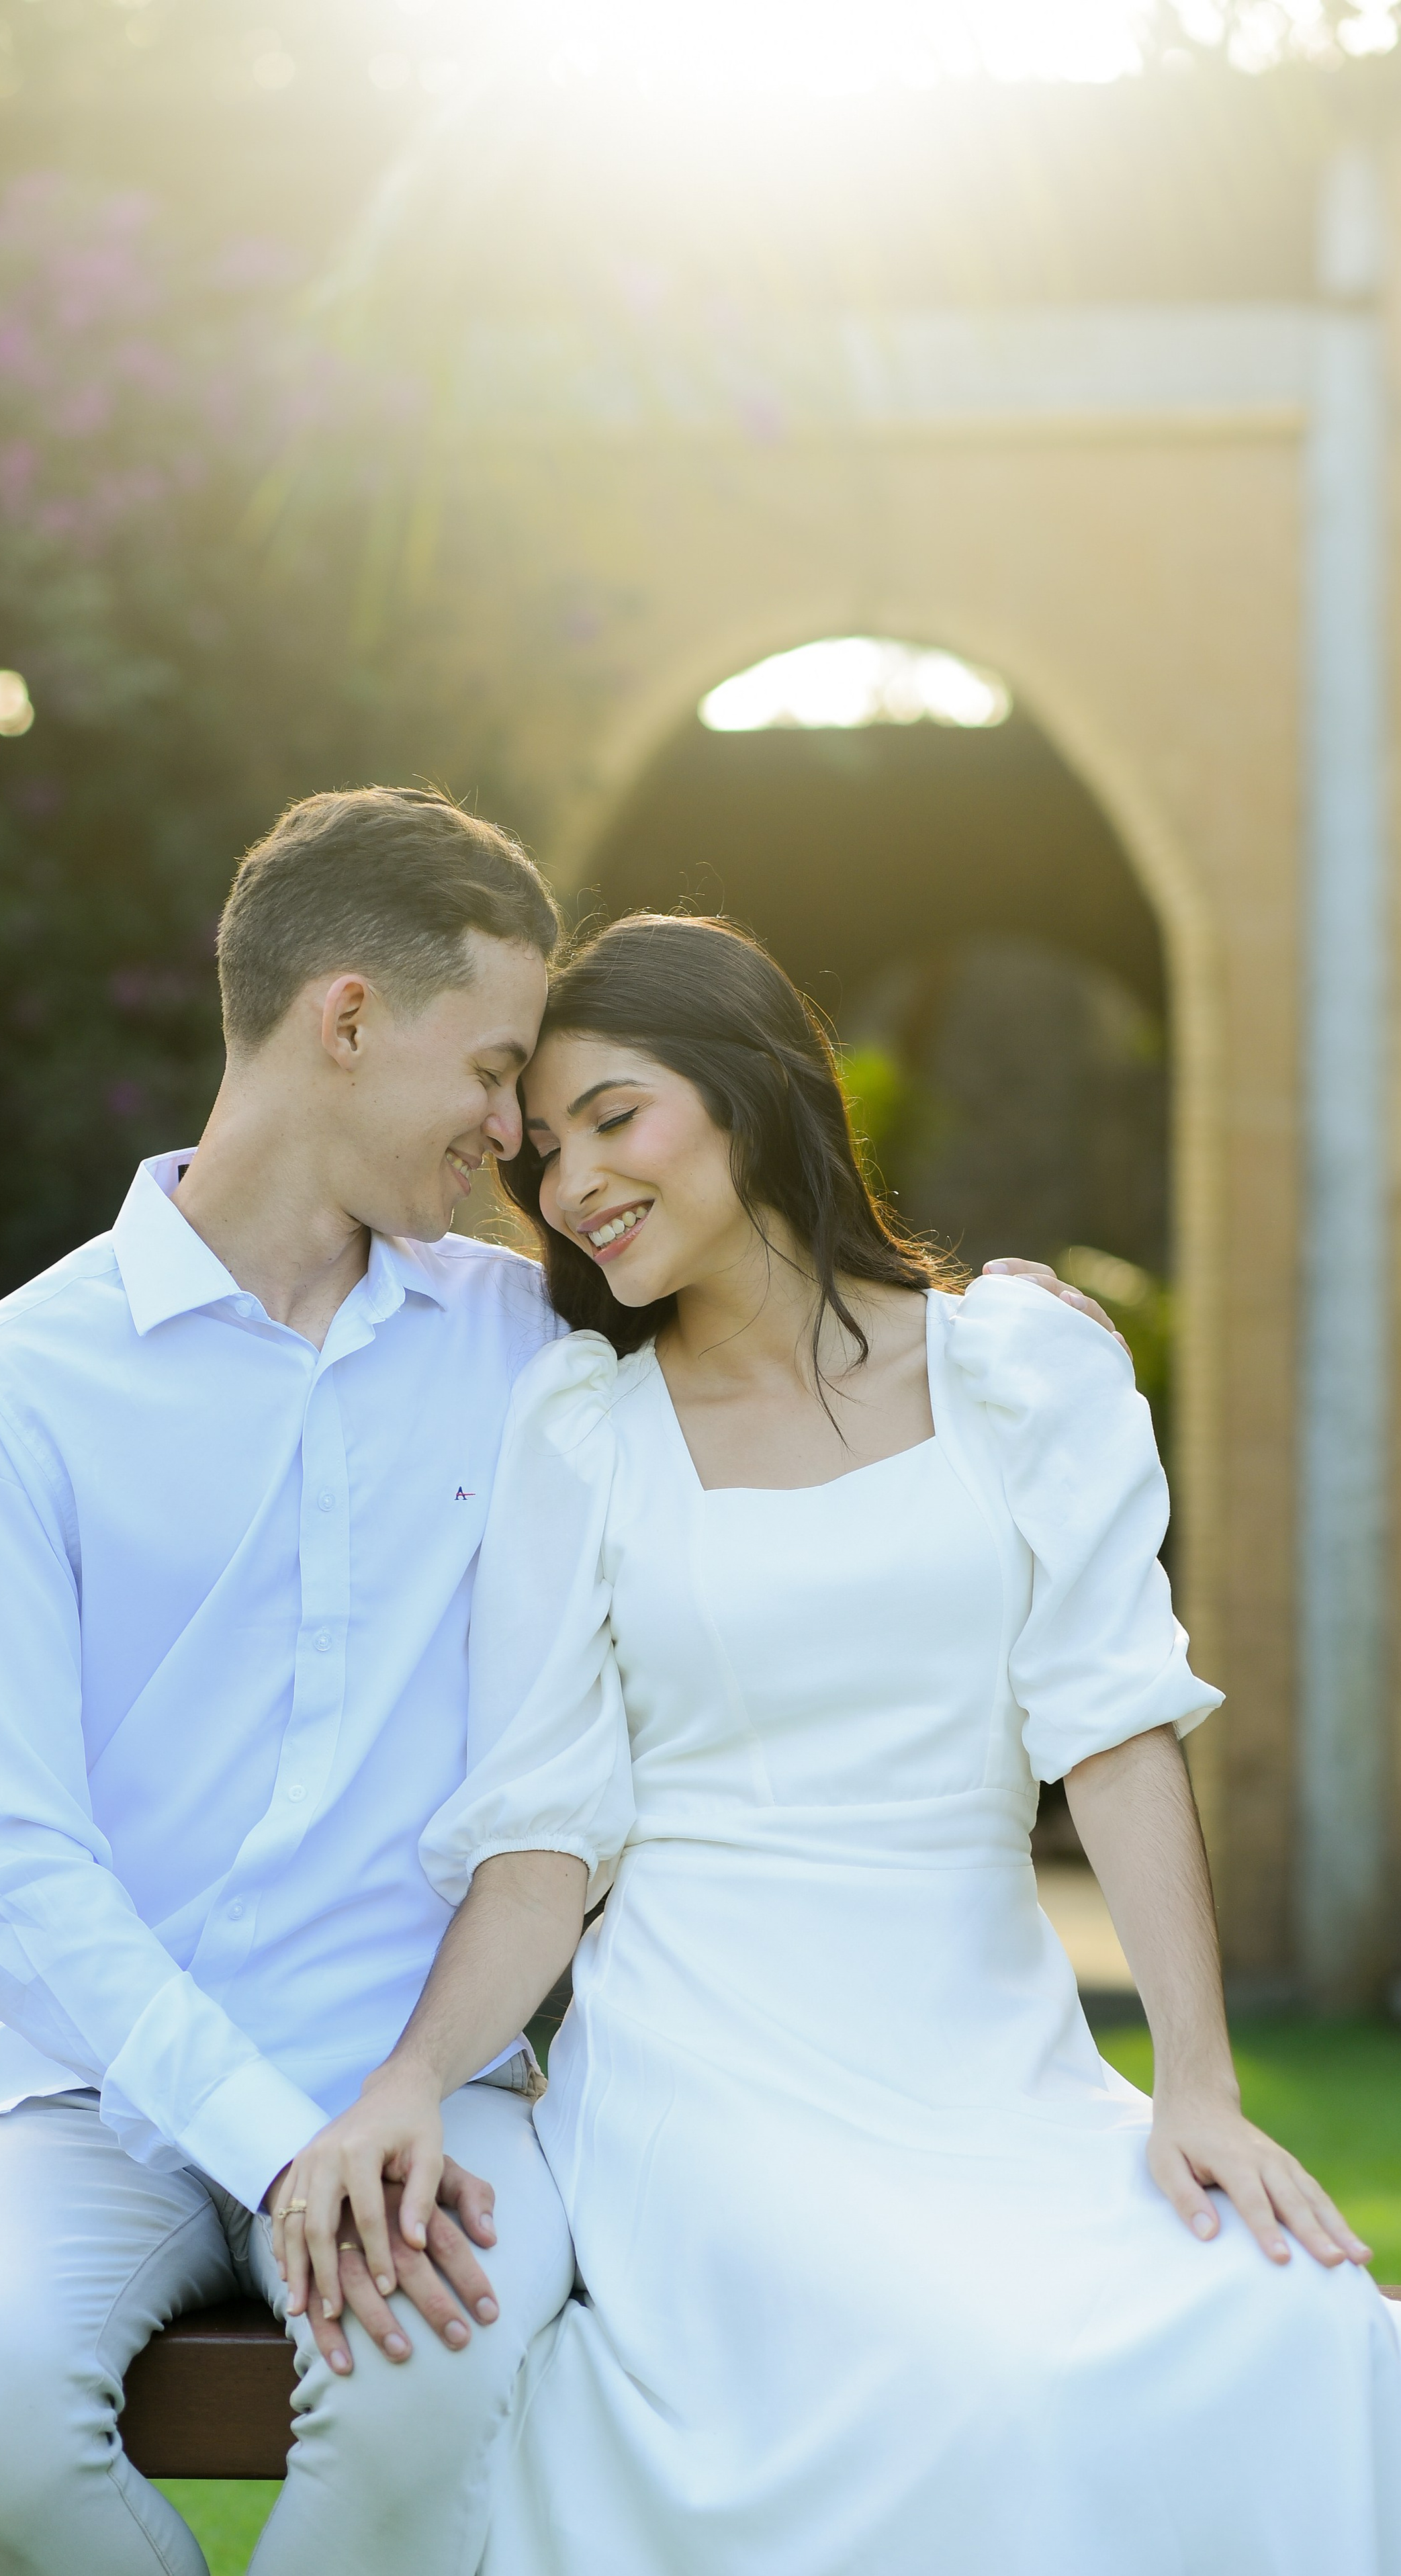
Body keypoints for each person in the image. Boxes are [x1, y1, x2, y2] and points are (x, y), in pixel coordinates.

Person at [284, 912, 1401, 2576]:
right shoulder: (581, 1434)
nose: (576, 1183)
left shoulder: (1024, 1370)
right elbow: (540, 1844)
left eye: (618, 1116)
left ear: (748, 1090)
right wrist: (408, 2079)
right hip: (707, 2061)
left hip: (986, 2054)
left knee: (1302, 2332)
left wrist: (1197, 2087)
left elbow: (1112, 1731)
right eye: (546, 1152)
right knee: (985, 2375)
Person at [0, 787, 580, 2576]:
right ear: (347, 1016)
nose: (518, 1130)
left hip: (423, 2087)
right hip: (86, 2093)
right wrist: (270, 2144)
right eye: (491, 1068)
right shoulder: (7, 1386)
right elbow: (19, 1876)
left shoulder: (528, 1342)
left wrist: (981, 1318)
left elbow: (783, 1316)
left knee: (430, 2384)